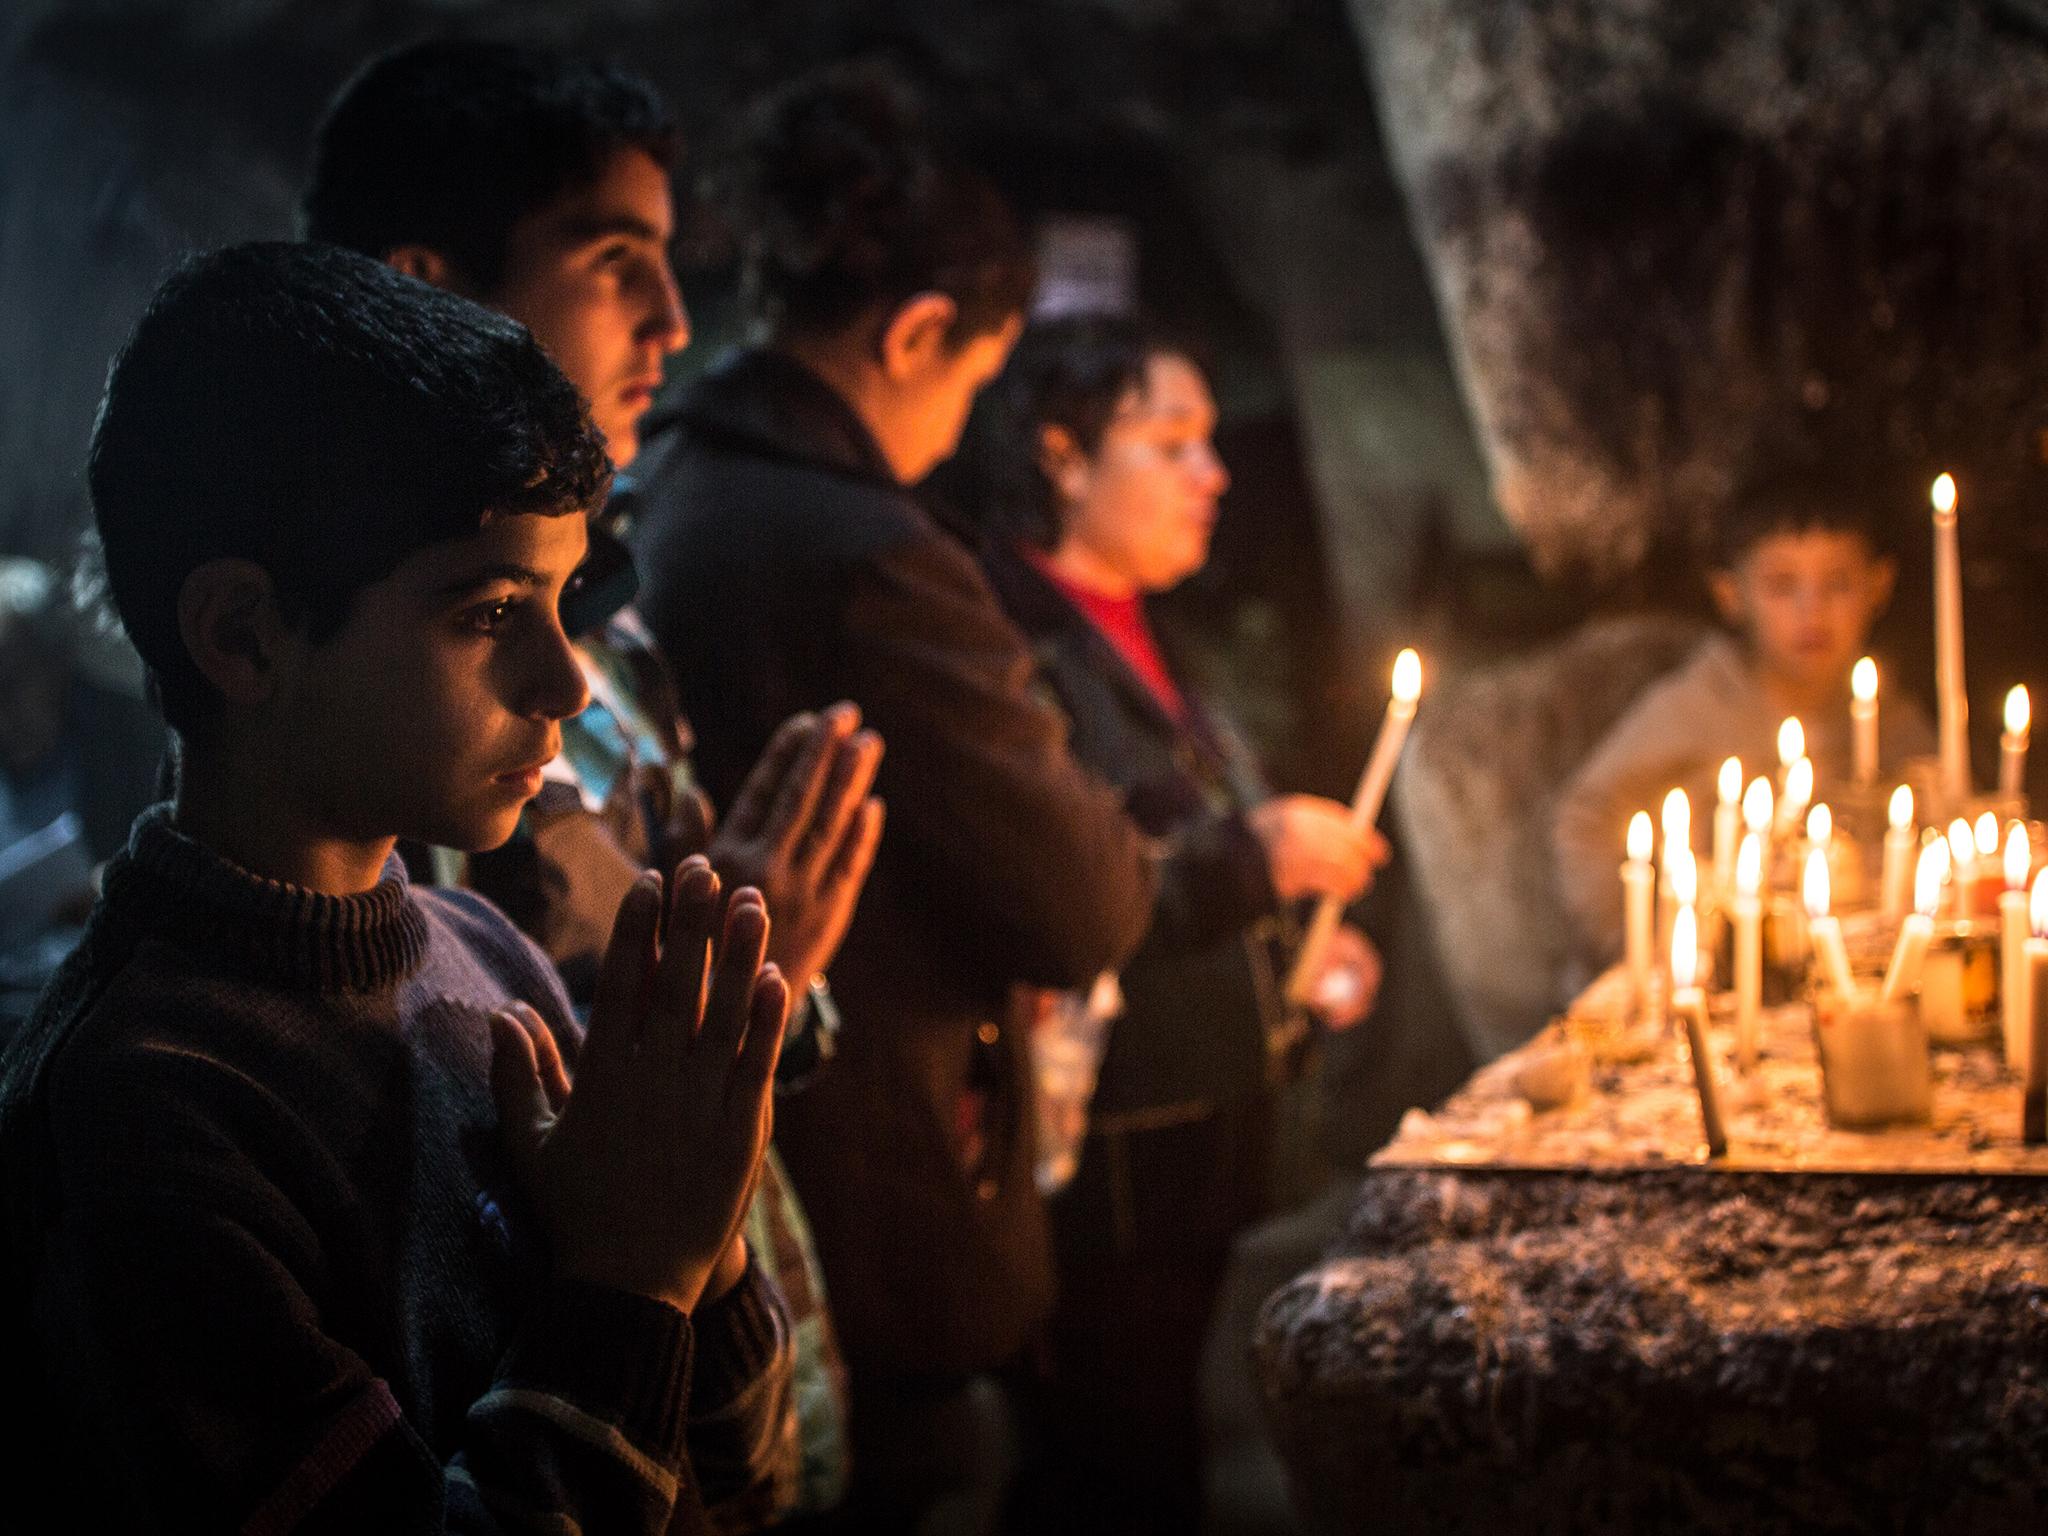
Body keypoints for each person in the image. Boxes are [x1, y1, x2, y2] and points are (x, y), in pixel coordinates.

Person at [0, 241, 796, 1532]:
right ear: (245, 635)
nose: (566, 683)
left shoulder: (484, 952)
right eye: (488, 614)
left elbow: (744, 1478)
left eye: (562, 602)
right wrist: (635, 1273)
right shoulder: (144, 1110)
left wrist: (706, 1234)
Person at [303, 41, 883, 1516]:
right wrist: (732, 972)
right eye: (617, 263)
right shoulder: (375, 712)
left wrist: (756, 969)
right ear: (426, 282)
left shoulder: (601, 626)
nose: (675, 326)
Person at [626, 63, 1157, 1531]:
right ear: (922, 332)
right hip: (882, 1191)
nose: (956, 426)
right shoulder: (871, 553)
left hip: (734, 1176)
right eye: (974, 380)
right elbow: (1081, 898)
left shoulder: (668, 478)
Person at [942, 313, 1385, 1532]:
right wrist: (1254, 857)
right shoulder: (1004, 644)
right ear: (1060, 456)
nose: (1215, 470)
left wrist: (1301, 938)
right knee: (1106, 1459)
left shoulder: (1142, 626)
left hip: (1188, 1140)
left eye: (1209, 438)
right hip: (1096, 1156)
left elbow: (1178, 833)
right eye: (1172, 441)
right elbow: (1065, 884)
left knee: (1161, 1436)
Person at [1553, 464, 1936, 966]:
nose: (1812, 610)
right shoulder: (1697, 705)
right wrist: (1634, 940)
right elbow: (1585, 815)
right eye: (1782, 586)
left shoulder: (1892, 717)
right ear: (1733, 594)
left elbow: (1939, 812)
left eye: (1838, 584)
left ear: (1878, 586)